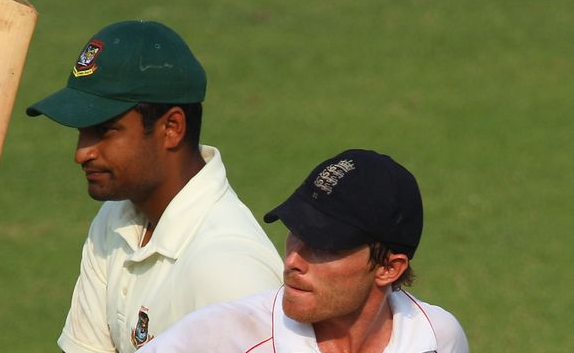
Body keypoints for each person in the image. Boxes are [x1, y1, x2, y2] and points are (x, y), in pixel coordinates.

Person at [0, 20, 283, 353]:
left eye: (104, 130)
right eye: (82, 132)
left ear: (172, 127)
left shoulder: (228, 271)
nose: (83, 153)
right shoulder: (116, 221)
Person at [138, 149, 469, 353]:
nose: (293, 260)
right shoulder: (216, 339)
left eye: (323, 246)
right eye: (294, 234)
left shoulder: (436, 338)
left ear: (389, 268)